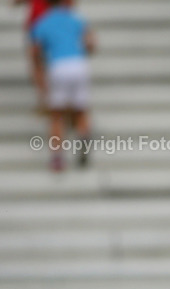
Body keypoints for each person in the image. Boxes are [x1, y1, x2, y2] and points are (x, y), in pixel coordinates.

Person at [30, 0, 95, 172]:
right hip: (78, 64)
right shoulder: (76, 20)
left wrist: (40, 80)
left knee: (56, 115)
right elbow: (91, 44)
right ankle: (83, 137)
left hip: (58, 66)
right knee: (81, 109)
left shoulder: (41, 23)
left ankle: (57, 157)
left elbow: (36, 54)